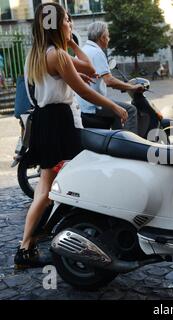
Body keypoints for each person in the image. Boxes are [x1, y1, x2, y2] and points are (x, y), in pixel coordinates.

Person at [14, 3, 128, 269]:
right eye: (67, 20)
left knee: (48, 188)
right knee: (50, 188)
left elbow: (88, 69)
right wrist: (114, 106)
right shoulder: (58, 56)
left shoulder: (40, 53)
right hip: (58, 123)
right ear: (56, 25)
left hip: (47, 121)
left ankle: (30, 245)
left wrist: (72, 44)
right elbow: (86, 89)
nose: (71, 24)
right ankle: (28, 244)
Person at [77, 21, 144, 132]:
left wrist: (122, 85)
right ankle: (131, 145)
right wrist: (132, 87)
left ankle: (118, 141)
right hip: (93, 105)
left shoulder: (83, 50)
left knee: (117, 111)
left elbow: (97, 79)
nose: (109, 39)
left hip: (83, 103)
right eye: (108, 36)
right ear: (102, 37)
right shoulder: (97, 52)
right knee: (131, 110)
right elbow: (109, 80)